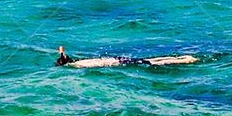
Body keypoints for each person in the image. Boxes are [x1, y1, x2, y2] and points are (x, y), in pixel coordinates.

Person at [55, 46, 198, 68]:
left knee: (150, 62)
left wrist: (62, 54)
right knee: (149, 60)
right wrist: (62, 52)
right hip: (117, 59)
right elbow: (63, 55)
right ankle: (182, 58)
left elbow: (63, 57)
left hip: (118, 62)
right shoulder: (81, 61)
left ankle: (184, 60)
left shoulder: (79, 65)